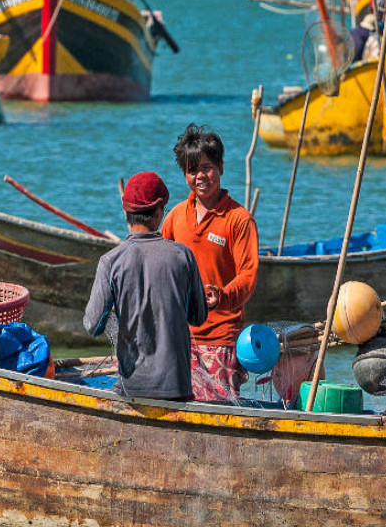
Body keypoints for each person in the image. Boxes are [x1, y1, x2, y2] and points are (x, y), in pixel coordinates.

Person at [83, 171, 207, 401]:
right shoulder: (183, 256)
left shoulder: (111, 261)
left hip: (132, 389)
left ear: (125, 212)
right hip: (177, 388)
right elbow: (198, 317)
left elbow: (92, 325)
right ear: (159, 212)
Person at [161, 124, 259, 401]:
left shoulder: (239, 219)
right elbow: (161, 264)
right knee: (177, 408)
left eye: (207, 167)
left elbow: (248, 275)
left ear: (220, 168)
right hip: (180, 336)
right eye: (192, 170)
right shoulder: (176, 217)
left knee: (219, 412)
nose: (200, 176)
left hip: (222, 338)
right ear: (185, 175)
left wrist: (224, 295)